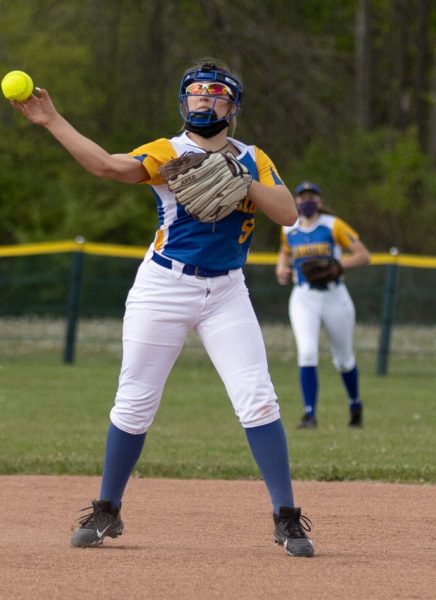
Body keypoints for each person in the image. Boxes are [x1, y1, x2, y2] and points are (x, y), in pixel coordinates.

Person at [10, 60, 315, 557]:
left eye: (217, 95)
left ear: (233, 108)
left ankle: (287, 519)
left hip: (227, 292)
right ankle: (107, 508)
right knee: (134, 401)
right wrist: (52, 121)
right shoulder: (168, 152)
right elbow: (108, 166)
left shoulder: (252, 157)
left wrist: (239, 178)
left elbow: (287, 213)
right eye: (197, 94)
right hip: (163, 286)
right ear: (183, 102)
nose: (205, 102)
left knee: (258, 398)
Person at [275, 181, 371, 429]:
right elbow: (285, 252)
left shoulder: (333, 225)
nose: (307, 201)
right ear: (295, 201)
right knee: (307, 352)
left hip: (334, 295)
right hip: (304, 296)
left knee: (343, 358)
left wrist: (339, 266)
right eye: (302, 196)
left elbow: (363, 254)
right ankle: (309, 414)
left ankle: (355, 405)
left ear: (319, 201)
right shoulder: (289, 229)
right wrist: (281, 268)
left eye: (312, 197)